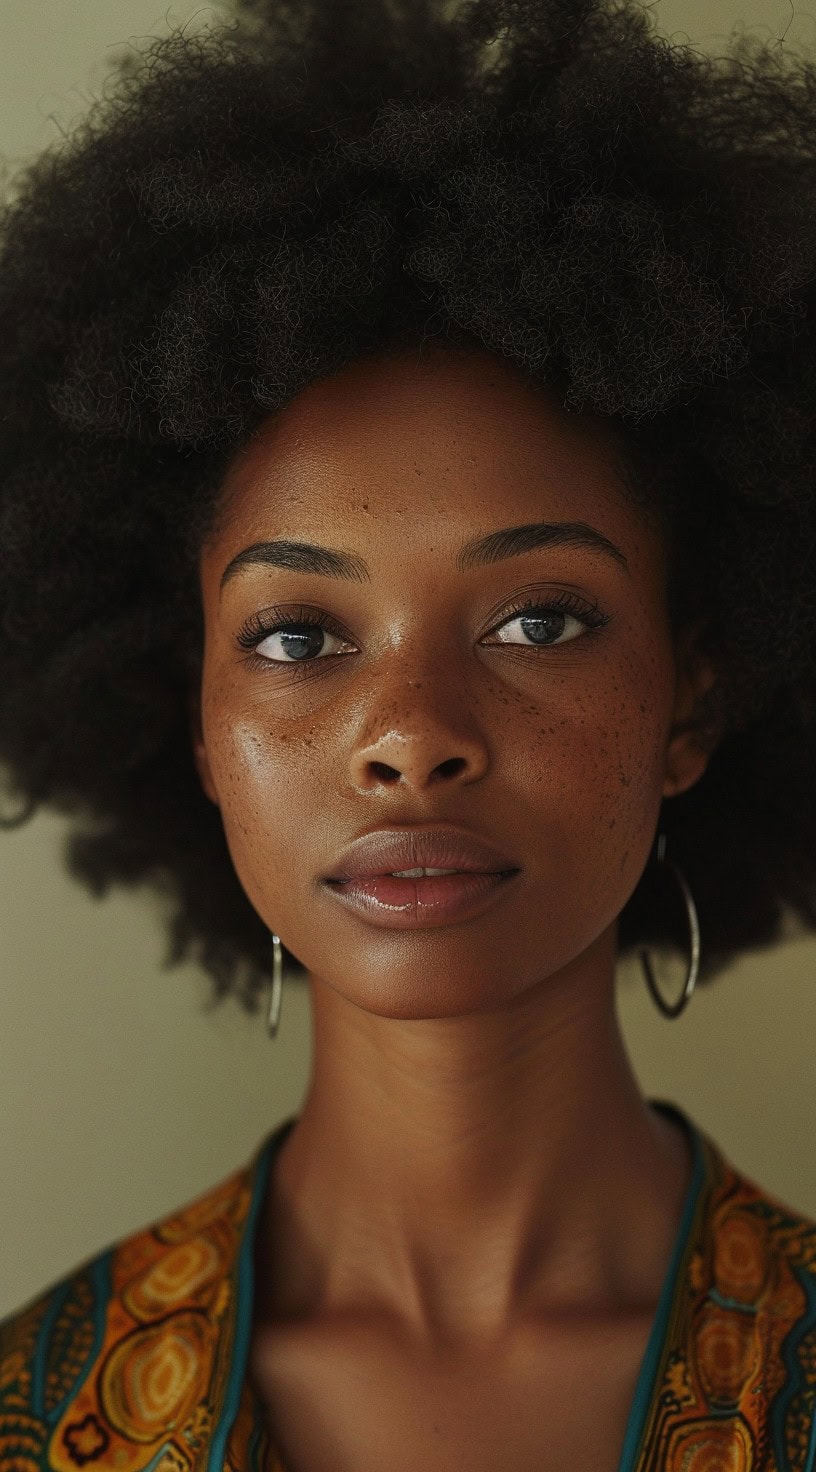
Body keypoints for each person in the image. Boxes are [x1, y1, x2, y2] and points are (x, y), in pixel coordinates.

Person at [2, 0, 816, 1466]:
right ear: (190, 720)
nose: (410, 740)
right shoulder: (32, 1413)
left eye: (538, 620)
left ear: (691, 700)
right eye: (298, 639)